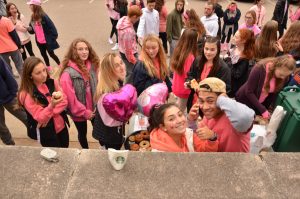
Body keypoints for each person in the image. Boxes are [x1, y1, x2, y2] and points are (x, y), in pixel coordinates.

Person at [188, 77, 255, 152]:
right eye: (201, 101)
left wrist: (222, 99)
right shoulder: (208, 116)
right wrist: (192, 121)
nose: (205, 107)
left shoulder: (233, 116)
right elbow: (199, 138)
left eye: (210, 101)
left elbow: (244, 118)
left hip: (237, 162)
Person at [18, 57, 69, 148]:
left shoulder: (53, 82)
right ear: (30, 75)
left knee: (66, 148)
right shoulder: (26, 94)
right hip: (47, 133)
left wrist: (48, 113)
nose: (44, 75)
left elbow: (64, 101)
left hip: (61, 126)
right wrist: (52, 105)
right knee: (55, 155)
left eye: (44, 70)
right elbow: (40, 118)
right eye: (38, 73)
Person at [59, 38, 100, 149]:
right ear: (74, 51)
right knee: (82, 133)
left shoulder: (93, 65)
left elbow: (98, 85)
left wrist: (97, 104)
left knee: (100, 132)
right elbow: (71, 100)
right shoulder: (67, 74)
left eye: (86, 49)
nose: (84, 52)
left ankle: (103, 148)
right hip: (79, 113)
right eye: (80, 49)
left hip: (94, 109)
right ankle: (86, 150)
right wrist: (84, 112)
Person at [236, 55, 295, 119]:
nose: (283, 77)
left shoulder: (284, 77)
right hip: (244, 101)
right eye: (281, 74)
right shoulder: (259, 69)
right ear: (276, 66)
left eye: (285, 76)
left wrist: (268, 109)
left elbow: (273, 94)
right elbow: (249, 91)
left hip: (258, 105)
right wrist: (263, 109)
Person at [92, 53, 129, 150]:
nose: (122, 67)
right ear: (109, 71)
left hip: (110, 130)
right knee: (112, 151)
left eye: (121, 63)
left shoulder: (114, 81)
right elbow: (113, 119)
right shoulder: (109, 93)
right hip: (109, 134)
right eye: (116, 66)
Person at [149, 103, 218, 152]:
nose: (179, 120)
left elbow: (204, 152)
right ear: (163, 127)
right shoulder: (159, 155)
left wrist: (212, 138)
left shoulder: (188, 134)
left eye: (180, 115)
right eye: (171, 119)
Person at [186, 36, 231, 112]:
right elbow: (190, 76)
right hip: (194, 103)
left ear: (218, 50)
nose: (208, 52)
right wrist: (190, 83)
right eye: (206, 49)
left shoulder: (223, 68)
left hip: (210, 107)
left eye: (212, 49)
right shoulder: (198, 60)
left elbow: (226, 90)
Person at [0, 57, 27, 145]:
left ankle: (36, 132)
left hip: (7, 96)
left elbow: (6, 73)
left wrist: (13, 92)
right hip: (7, 95)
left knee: (25, 116)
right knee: (1, 127)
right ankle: (10, 144)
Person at [27, 0, 60, 68]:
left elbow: (52, 28)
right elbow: (32, 31)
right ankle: (48, 67)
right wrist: (28, 28)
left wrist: (51, 39)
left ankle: (60, 64)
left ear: (35, 6)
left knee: (51, 54)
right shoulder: (32, 17)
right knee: (43, 54)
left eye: (31, 5)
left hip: (47, 41)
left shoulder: (44, 16)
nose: (29, 6)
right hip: (39, 41)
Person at [171, 28, 198, 111]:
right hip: (184, 90)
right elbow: (189, 75)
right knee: (180, 111)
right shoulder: (190, 57)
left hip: (177, 86)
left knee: (179, 107)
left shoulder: (179, 51)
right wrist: (197, 88)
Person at [117, 5, 142, 82]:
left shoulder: (123, 19)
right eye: (138, 18)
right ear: (134, 17)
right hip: (129, 55)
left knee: (129, 71)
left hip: (122, 51)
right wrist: (134, 61)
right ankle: (128, 88)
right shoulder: (128, 32)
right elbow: (128, 51)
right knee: (131, 73)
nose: (138, 20)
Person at [228, 29, 255, 97]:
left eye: (236, 37)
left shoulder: (246, 58)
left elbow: (236, 74)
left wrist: (228, 60)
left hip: (234, 88)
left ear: (244, 41)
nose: (233, 38)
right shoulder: (234, 47)